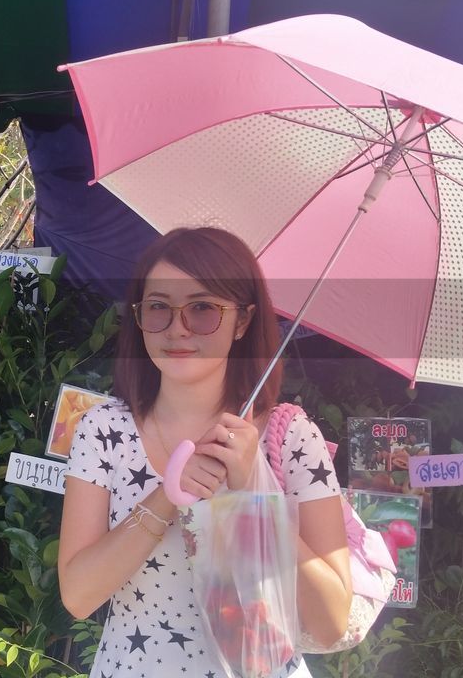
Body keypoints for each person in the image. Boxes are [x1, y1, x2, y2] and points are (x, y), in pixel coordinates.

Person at [58, 227, 353, 677]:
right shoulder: (103, 430)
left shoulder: (291, 438)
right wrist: (167, 497)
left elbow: (331, 623)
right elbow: (78, 596)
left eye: (202, 309)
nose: (177, 329)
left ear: (243, 321)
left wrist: (253, 494)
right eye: (158, 307)